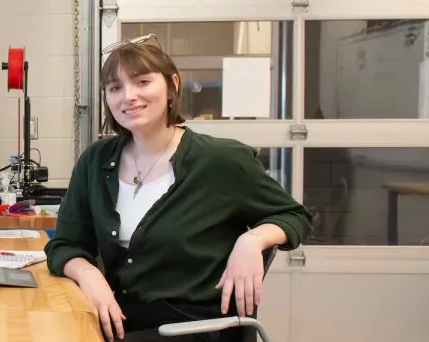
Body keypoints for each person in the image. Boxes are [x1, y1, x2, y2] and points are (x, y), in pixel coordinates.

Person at [44, 36, 312, 341]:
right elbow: (64, 244)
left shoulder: (219, 161)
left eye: (142, 81)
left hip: (195, 327)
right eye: (115, 87)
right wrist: (88, 274)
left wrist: (252, 240)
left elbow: (295, 215)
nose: (128, 96)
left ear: (172, 85)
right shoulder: (96, 161)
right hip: (121, 320)